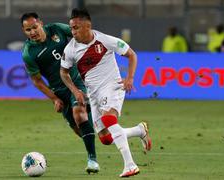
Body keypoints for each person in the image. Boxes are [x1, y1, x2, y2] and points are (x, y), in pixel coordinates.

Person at [60, 8, 152, 178]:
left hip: (112, 86)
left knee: (108, 119)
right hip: (93, 94)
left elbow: (132, 54)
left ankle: (130, 165)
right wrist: (75, 90)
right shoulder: (70, 49)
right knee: (106, 138)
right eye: (71, 28)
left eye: (76, 27)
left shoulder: (105, 40)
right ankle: (139, 130)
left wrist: (129, 78)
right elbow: (63, 73)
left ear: (88, 26)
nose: (73, 32)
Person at [20, 12, 100, 173]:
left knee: (79, 114)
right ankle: (96, 117)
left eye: (35, 27)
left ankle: (92, 160)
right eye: (28, 30)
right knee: (79, 128)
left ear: (41, 23)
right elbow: (37, 81)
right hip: (59, 90)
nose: (33, 32)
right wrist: (54, 99)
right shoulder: (29, 53)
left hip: (76, 80)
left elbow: (78, 34)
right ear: (24, 32)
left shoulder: (56, 29)